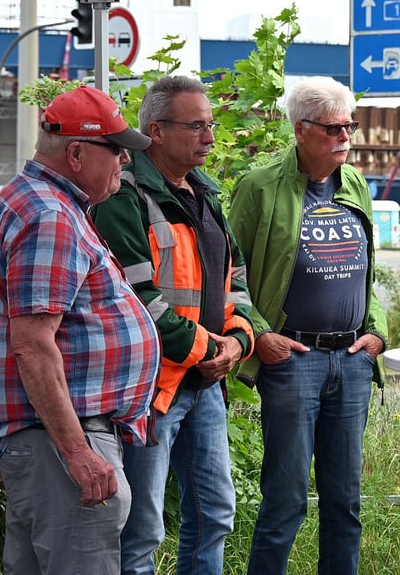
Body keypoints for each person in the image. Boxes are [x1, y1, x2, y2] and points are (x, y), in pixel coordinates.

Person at [0, 85, 161, 575]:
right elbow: (32, 343)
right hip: (61, 439)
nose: (125, 161)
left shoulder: (27, 199)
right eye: (117, 150)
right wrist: (77, 452)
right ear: (77, 153)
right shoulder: (51, 215)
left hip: (45, 439)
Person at [89, 76, 256, 575]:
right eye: (197, 126)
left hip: (202, 383)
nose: (210, 136)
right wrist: (211, 352)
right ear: (157, 131)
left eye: (211, 125)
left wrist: (239, 341)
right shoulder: (124, 196)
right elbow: (138, 300)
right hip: (151, 390)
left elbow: (235, 282)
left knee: (215, 515)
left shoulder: (205, 193)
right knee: (142, 529)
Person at [227, 76, 388, 575]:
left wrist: (377, 332)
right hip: (294, 360)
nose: (344, 137)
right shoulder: (259, 188)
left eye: (350, 127)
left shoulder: (354, 183)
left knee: (345, 502)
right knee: (285, 499)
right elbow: (230, 273)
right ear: (300, 130)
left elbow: (369, 270)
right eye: (332, 128)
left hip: (352, 360)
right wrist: (259, 334)